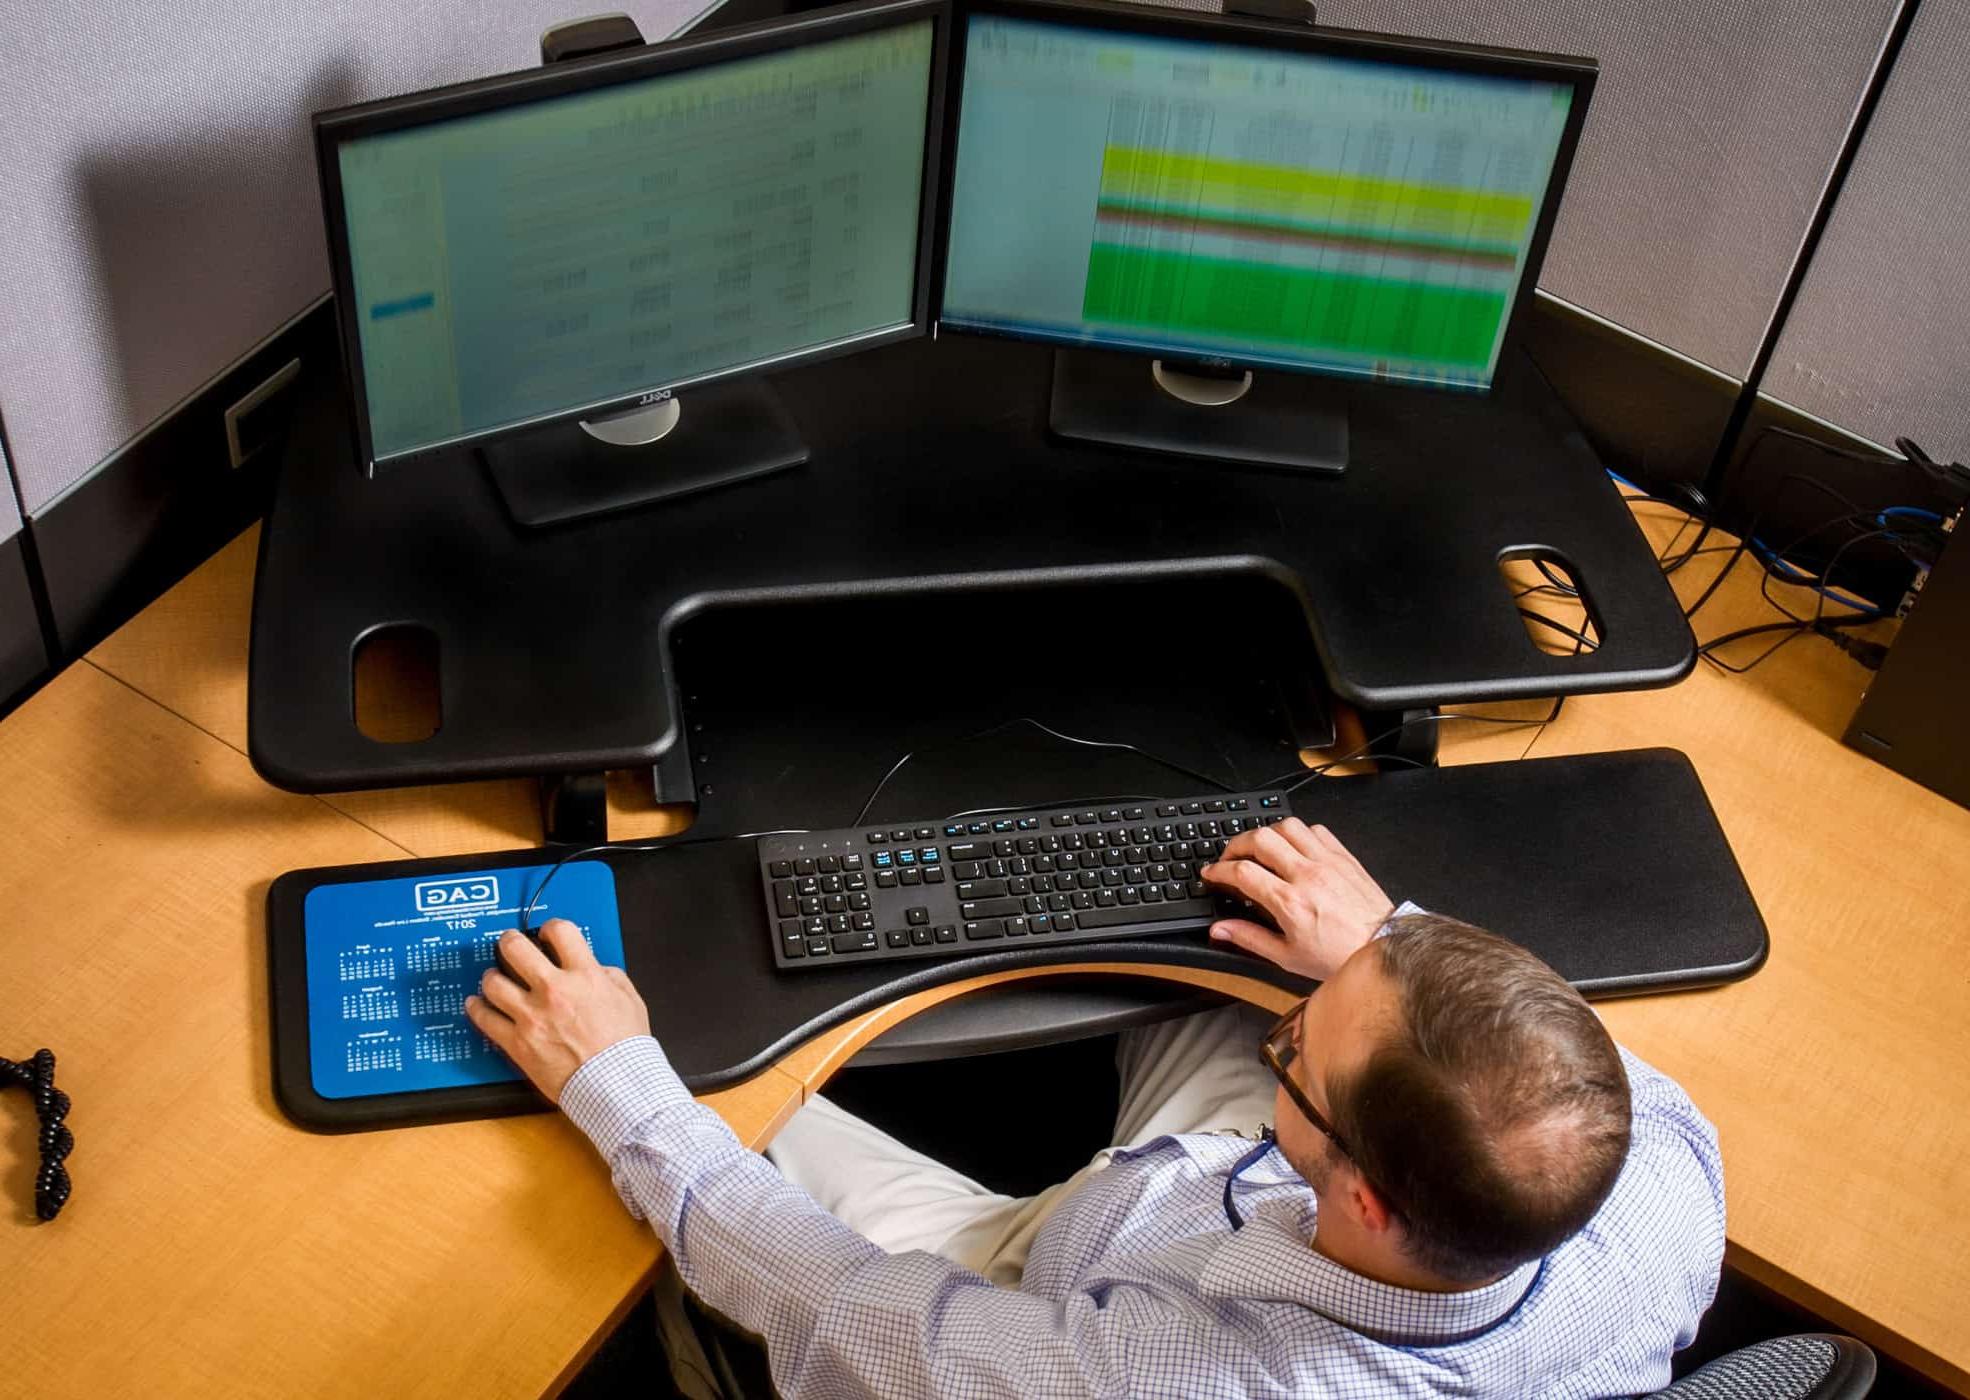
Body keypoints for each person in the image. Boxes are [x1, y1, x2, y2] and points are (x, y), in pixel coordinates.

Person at [466, 817, 1724, 1398]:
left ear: (1366, 1192)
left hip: (1051, 1285)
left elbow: (833, 1300)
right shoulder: (1647, 1178)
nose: (1288, 1021)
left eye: (1299, 1049)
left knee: (729, 1105)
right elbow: (1549, 1055)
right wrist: (1379, 938)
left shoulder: (1159, 1378)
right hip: (1223, 1191)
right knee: (1220, 953)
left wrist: (618, 1077)